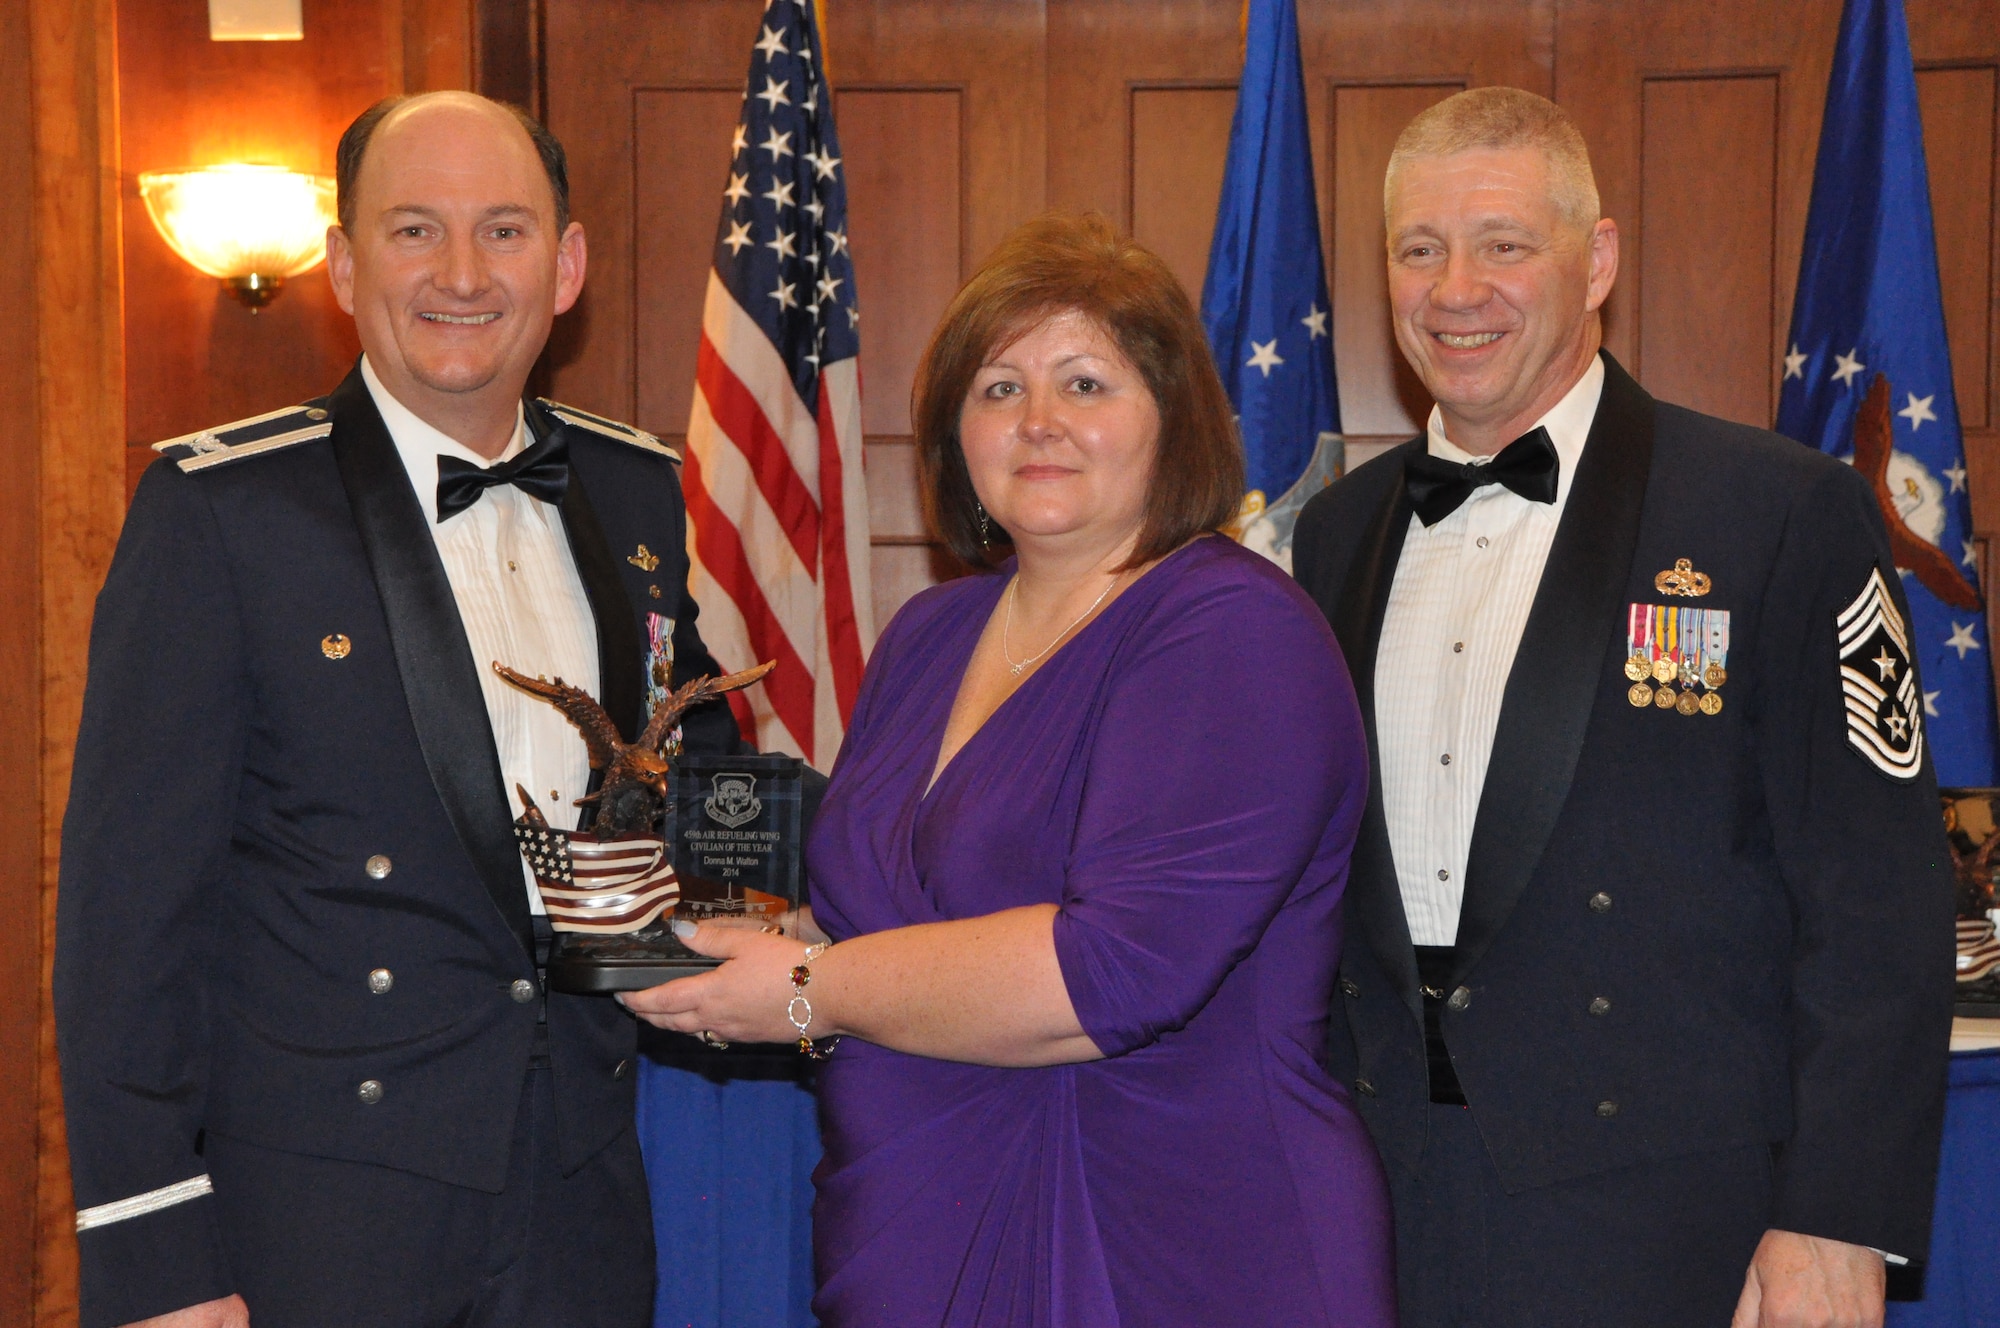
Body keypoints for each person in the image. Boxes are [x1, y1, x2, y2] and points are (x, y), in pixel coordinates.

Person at [624, 212, 1397, 1327]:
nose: (1038, 422)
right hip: (910, 1223)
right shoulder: (930, 633)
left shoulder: (1231, 632)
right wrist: (738, 947)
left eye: (1085, 383)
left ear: (1172, 418)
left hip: (1175, 1237)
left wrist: (801, 992)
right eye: (996, 388)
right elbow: (892, 909)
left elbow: (1114, 971)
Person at [55, 92, 747, 1327]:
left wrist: (744, 889)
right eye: (414, 230)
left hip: (577, 1189)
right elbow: (126, 923)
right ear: (340, 261)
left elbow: (681, 757)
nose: (463, 275)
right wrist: (158, 1260)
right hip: (319, 1214)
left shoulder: (635, 488)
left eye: (505, 230)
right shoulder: (222, 513)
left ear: (568, 263)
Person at [1290, 87, 1956, 1328]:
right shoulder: (1336, 530)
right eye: (1417, 249)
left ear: (1594, 258)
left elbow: (1877, 895)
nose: (1454, 289)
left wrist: (1836, 1215)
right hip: (1375, 1196)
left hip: (1667, 1211)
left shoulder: (1776, 511)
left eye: (1502, 243)